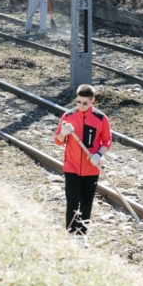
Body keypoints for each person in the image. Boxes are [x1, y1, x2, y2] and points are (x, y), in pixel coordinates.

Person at [54, 84, 112, 242]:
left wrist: (99, 154)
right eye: (78, 102)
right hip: (71, 166)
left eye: (85, 103)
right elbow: (58, 141)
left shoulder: (101, 118)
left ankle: (81, 236)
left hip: (91, 168)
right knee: (72, 200)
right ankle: (71, 233)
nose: (81, 106)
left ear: (92, 101)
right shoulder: (68, 116)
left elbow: (107, 141)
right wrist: (62, 134)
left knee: (86, 202)